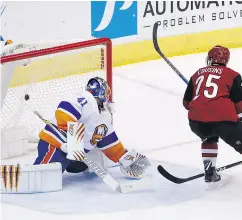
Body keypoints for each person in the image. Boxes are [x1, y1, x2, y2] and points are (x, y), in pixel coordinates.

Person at [34, 77, 150, 179]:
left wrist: (124, 158)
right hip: (56, 144)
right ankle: (18, 176)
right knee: (45, 176)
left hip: (75, 156)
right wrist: (73, 142)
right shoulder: (86, 99)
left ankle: (71, 162)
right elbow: (64, 111)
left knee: (74, 167)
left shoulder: (103, 117)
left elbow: (110, 143)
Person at [183, 45, 242, 182]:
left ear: (210, 58)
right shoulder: (233, 75)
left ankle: (209, 172)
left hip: (196, 123)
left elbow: (186, 104)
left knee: (209, 137)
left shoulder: (197, 74)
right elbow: (240, 105)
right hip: (223, 122)